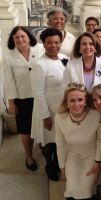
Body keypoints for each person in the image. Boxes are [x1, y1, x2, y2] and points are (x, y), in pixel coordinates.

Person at [55, 82, 101, 200]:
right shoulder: (59, 117)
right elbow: (60, 144)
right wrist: (62, 167)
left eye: (80, 99)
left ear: (85, 101)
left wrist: (97, 162)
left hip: (92, 155)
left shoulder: (96, 115)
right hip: (72, 155)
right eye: (72, 100)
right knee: (72, 188)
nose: (76, 104)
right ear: (66, 103)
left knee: (86, 189)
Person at [30, 28, 68, 180]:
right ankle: (49, 165)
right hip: (47, 110)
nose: (54, 46)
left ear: (61, 43)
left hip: (63, 109)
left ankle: (58, 161)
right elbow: (38, 93)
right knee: (48, 141)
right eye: (49, 43)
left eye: (57, 42)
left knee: (60, 139)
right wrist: (45, 116)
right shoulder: (40, 65)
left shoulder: (65, 58)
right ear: (44, 44)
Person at [4, 26, 43, 171]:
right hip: (23, 98)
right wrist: (11, 103)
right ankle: (29, 156)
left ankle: (44, 149)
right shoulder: (9, 57)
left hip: (41, 96)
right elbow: (9, 82)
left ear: (29, 37)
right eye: (16, 37)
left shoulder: (40, 49)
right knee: (26, 130)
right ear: (13, 40)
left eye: (23, 36)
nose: (20, 39)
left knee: (42, 126)